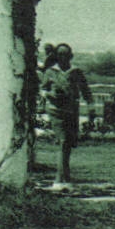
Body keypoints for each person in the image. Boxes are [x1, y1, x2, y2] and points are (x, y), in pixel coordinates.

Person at [41, 43, 91, 185]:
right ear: (56, 56)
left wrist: (90, 107)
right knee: (63, 141)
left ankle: (66, 175)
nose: (63, 57)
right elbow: (43, 89)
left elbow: (85, 90)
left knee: (69, 143)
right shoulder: (50, 71)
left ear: (71, 56)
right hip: (56, 110)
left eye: (66, 54)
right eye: (60, 54)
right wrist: (49, 94)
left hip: (72, 110)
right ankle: (59, 178)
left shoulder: (76, 72)